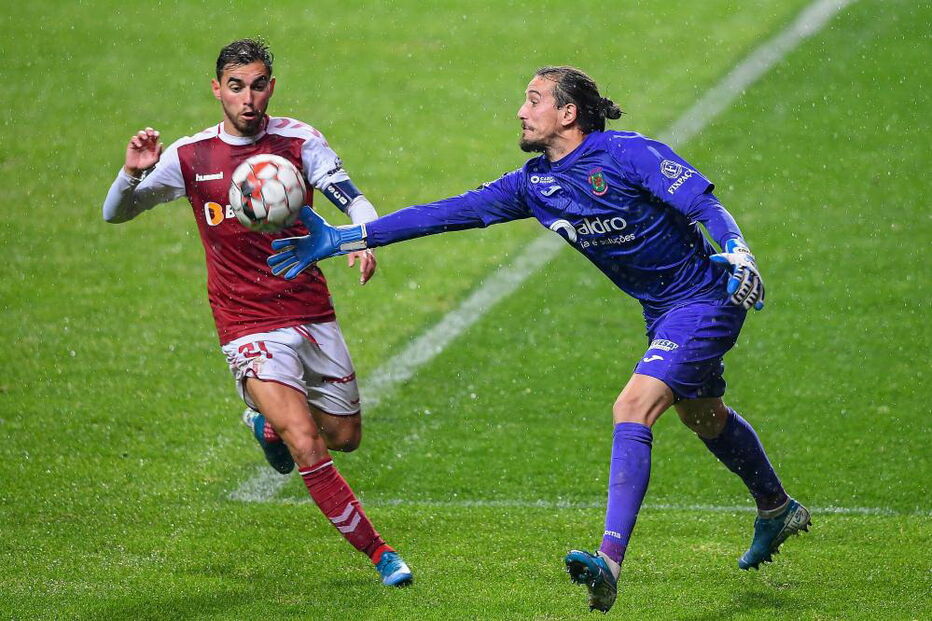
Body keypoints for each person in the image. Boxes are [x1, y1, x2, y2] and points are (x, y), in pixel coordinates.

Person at [267, 65, 810, 612]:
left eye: (533, 101)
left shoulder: (628, 154)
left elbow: (702, 203)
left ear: (567, 113)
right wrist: (346, 238)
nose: (522, 112)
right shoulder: (533, 184)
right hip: (662, 311)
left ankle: (610, 562)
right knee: (703, 416)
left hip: (706, 299)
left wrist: (738, 250)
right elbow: (449, 214)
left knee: (633, 406)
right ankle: (776, 507)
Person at [101, 38, 412, 587]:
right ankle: (381, 553)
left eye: (259, 84)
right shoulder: (189, 157)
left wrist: (362, 238)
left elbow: (353, 198)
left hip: (308, 308)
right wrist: (131, 174)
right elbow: (116, 215)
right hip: (244, 321)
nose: (248, 98)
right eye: (236, 86)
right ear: (217, 88)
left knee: (344, 436)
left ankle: (263, 423)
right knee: (306, 440)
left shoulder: (299, 141)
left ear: (272, 85)